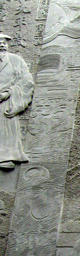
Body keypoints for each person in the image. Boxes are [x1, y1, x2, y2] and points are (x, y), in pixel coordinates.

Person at [0, 33, 34, 170]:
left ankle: (6, 157)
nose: (2, 45)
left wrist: (7, 93)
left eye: (4, 43)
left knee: (6, 128)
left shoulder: (16, 60)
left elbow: (26, 81)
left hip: (7, 101)